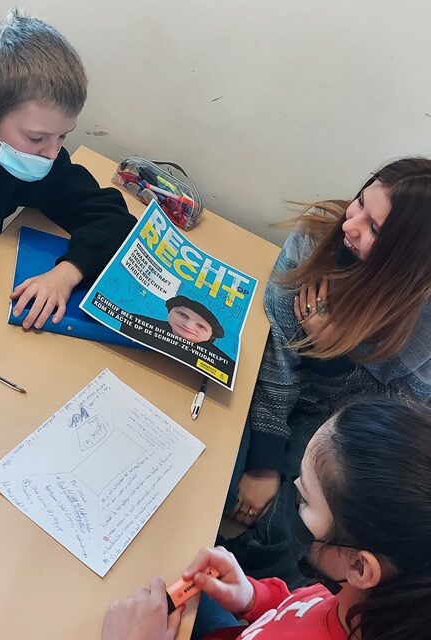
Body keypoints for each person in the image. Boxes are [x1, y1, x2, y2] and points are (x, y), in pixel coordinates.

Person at [102, 397, 431, 640]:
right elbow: (300, 607)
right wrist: (252, 597)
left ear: (359, 567)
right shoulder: (358, 602)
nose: (295, 488)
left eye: (306, 500)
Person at [227, 157, 431, 532]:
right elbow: (277, 353)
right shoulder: (314, 240)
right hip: (270, 387)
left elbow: (389, 418)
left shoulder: (423, 319)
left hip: (337, 426)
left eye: (374, 228)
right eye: (360, 202)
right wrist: (264, 461)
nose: (349, 225)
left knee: (294, 528)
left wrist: (336, 353)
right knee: (221, 479)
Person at [0, 10, 136, 329]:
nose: (51, 154)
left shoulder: (29, 153)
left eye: (62, 136)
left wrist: (67, 273)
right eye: (37, 138)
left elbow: (110, 216)